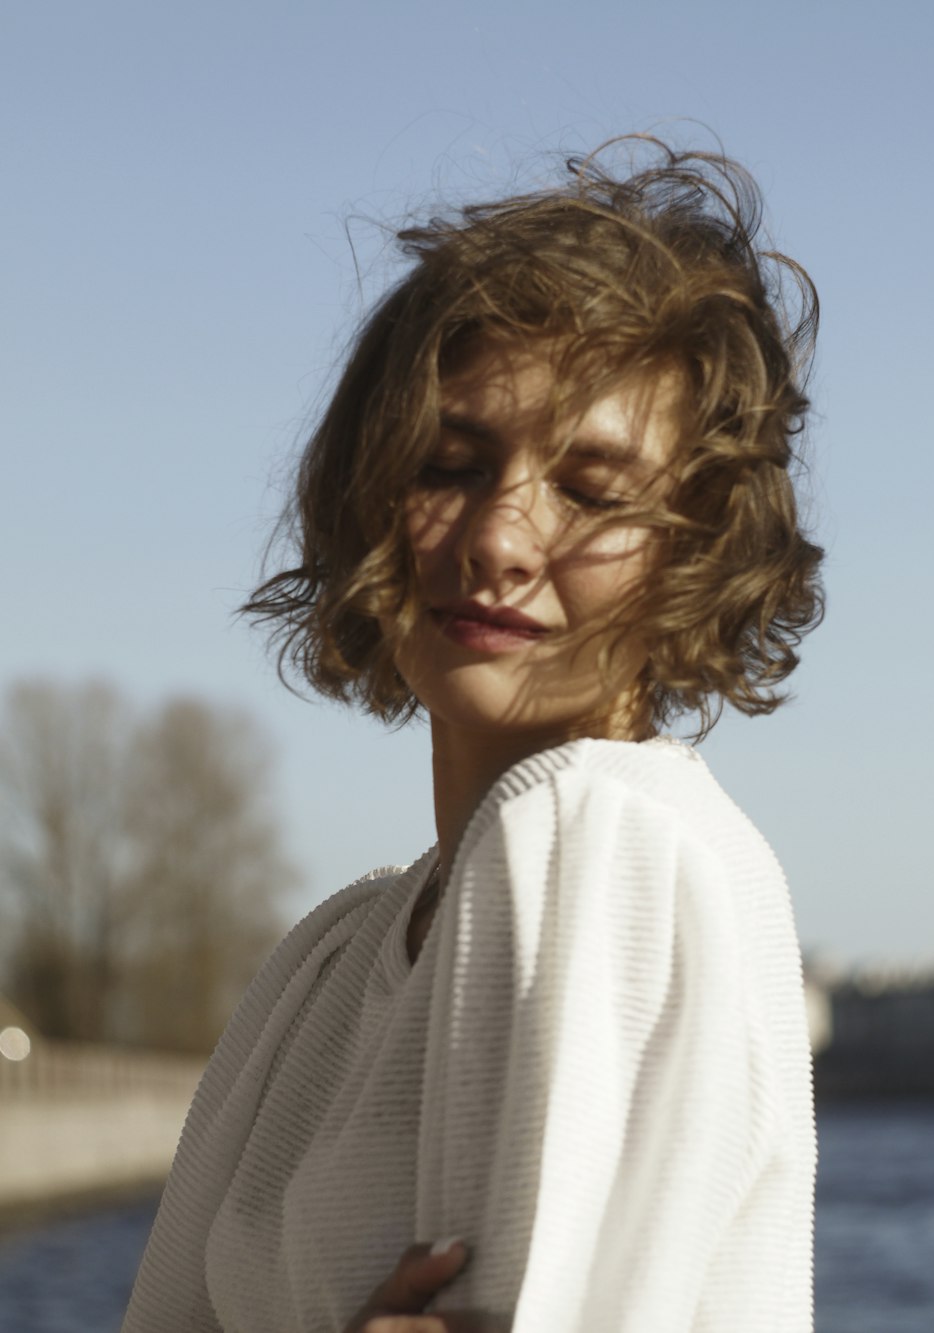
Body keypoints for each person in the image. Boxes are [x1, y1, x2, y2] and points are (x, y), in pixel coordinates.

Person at [123, 135, 824, 1332]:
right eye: (450, 464)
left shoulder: (606, 842)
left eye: (593, 491)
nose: (500, 537)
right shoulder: (328, 959)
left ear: (695, 549)